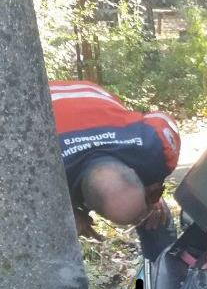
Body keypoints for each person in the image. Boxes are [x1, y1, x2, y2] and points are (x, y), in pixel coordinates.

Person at [51, 80, 181, 260]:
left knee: (155, 215)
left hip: (90, 94)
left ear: (135, 172)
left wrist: (153, 192)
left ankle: (166, 265)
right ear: (92, 209)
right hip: (45, 99)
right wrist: (66, 213)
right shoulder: (45, 174)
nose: (142, 217)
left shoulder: (155, 146)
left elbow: (164, 120)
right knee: (57, 231)